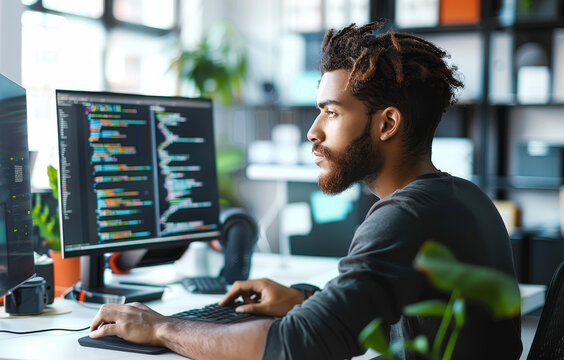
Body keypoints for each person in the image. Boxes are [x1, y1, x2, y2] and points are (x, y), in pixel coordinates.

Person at [89, 21, 522, 360]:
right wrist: (305, 300)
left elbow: (298, 347)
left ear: (387, 123)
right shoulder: (462, 198)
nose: (313, 132)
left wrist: (163, 328)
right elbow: (402, 306)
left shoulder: (403, 216)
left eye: (331, 113)